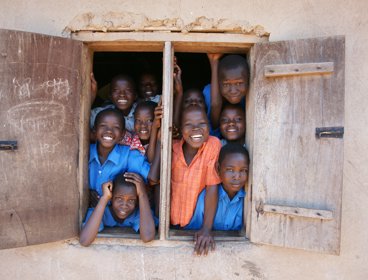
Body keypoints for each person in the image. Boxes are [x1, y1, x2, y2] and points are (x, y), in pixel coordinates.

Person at [170, 106, 222, 256]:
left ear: (209, 125)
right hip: (171, 223)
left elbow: (212, 186)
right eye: (188, 125)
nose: (196, 129)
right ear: (180, 129)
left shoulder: (212, 145)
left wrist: (206, 229)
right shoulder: (172, 147)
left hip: (196, 225)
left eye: (202, 124)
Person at [89, 108, 160, 204]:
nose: (109, 131)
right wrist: (87, 193)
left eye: (116, 127)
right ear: (94, 130)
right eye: (103, 125)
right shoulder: (85, 153)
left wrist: (159, 140)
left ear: (122, 134)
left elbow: (153, 179)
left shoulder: (129, 155)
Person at [80, 172, 156, 246]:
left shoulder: (139, 215)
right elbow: (84, 240)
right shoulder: (100, 213)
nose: (124, 205)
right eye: (119, 199)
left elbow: (147, 237)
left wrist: (142, 194)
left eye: (131, 200)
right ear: (111, 197)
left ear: (137, 201)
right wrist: (104, 198)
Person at [186, 143, 249, 231]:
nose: (237, 176)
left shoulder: (248, 200)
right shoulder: (206, 197)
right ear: (218, 169)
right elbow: (195, 231)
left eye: (243, 170)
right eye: (230, 170)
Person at [204, 54, 249, 130]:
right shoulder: (209, 92)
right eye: (226, 84)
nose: (233, 91)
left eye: (239, 83)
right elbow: (215, 105)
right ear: (218, 83)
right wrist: (214, 63)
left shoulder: (252, 94)